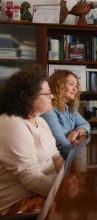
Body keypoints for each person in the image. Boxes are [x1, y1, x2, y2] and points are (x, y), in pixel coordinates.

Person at [0, 66, 64, 216]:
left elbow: (56, 157)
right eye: (48, 93)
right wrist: (64, 193)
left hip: (44, 192)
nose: (52, 97)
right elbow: (31, 178)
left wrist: (66, 182)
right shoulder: (12, 123)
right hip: (19, 205)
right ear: (28, 97)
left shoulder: (40, 121)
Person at [41, 70, 91, 157]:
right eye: (71, 84)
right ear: (58, 85)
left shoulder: (68, 108)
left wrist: (76, 132)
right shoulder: (49, 110)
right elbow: (62, 145)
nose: (75, 89)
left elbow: (86, 125)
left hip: (69, 155)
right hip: (57, 160)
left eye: (76, 85)